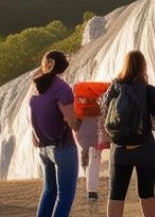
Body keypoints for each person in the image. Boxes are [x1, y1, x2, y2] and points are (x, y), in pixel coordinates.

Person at [101, 51, 155, 217]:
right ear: (143, 67)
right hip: (144, 149)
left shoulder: (113, 89)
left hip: (119, 150)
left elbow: (106, 115)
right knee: (147, 193)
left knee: (116, 195)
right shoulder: (150, 91)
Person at [30, 50, 79, 217]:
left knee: (49, 191)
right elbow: (74, 124)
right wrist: (85, 113)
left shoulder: (35, 87)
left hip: (43, 147)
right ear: (62, 67)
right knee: (65, 196)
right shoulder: (61, 88)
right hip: (62, 147)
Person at [73, 78, 111, 203]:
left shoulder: (80, 98)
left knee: (91, 157)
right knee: (105, 157)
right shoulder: (106, 93)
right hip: (100, 126)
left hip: (85, 129)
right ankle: (106, 188)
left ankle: (91, 190)